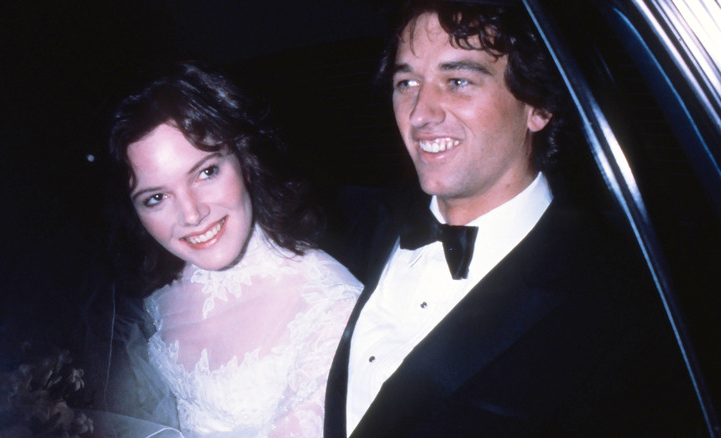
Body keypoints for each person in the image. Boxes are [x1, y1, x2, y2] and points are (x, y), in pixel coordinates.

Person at [324, 1, 704, 436]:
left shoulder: (626, 301)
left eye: (458, 81)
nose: (420, 114)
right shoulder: (357, 228)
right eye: (406, 82)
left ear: (538, 107)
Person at [103, 61, 362, 437]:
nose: (192, 215)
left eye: (206, 172)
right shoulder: (158, 291)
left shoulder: (331, 307)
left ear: (246, 161)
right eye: (156, 197)